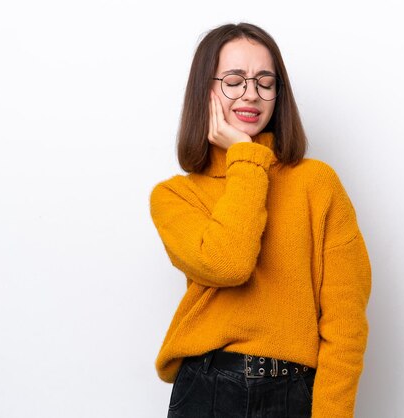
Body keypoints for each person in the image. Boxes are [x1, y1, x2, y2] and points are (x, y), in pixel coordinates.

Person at [149, 22, 372, 418]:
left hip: (293, 393)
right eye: (234, 80)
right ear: (206, 90)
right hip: (205, 389)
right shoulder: (175, 196)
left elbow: (345, 324)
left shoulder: (316, 184)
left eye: (265, 82)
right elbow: (228, 262)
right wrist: (246, 157)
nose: (251, 93)